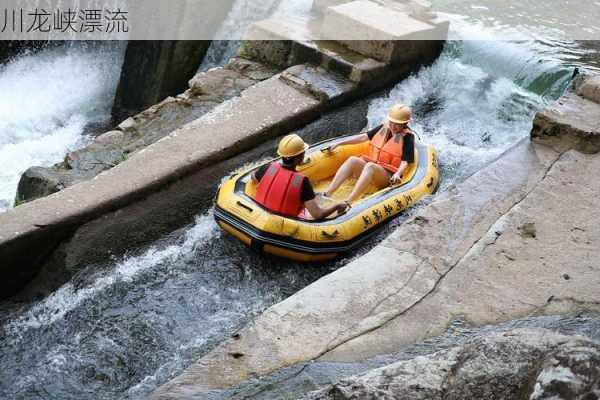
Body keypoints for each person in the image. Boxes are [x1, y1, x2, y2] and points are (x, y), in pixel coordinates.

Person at [323, 104, 416, 204]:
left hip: (388, 176)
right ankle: (327, 194)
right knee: (353, 160)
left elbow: (405, 161)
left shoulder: (408, 137)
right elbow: (364, 137)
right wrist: (338, 143)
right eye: (391, 122)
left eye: (397, 124)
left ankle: (348, 202)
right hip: (374, 168)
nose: (393, 126)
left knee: (370, 166)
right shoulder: (384, 127)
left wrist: (398, 173)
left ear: (405, 123)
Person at [252, 134, 347, 220]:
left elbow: (253, 177)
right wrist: (337, 206)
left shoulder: (268, 168)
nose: (304, 154)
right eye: (303, 152)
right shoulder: (302, 182)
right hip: (283, 226)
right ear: (298, 158)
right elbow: (317, 215)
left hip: (258, 217)